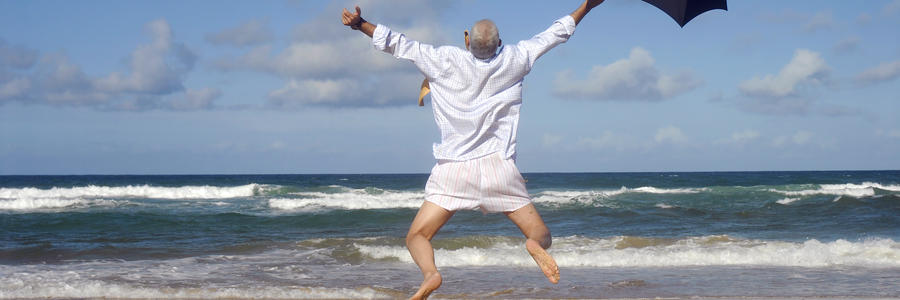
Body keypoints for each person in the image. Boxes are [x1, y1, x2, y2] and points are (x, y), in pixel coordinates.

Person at [341, 1, 604, 299]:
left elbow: (398, 44)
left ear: (467, 39)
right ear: (499, 43)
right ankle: (532, 245)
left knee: (417, 235)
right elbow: (556, 34)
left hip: (453, 169)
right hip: (499, 170)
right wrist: (586, 6)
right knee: (541, 235)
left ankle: (431, 274)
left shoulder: (442, 59)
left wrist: (360, 25)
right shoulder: (516, 59)